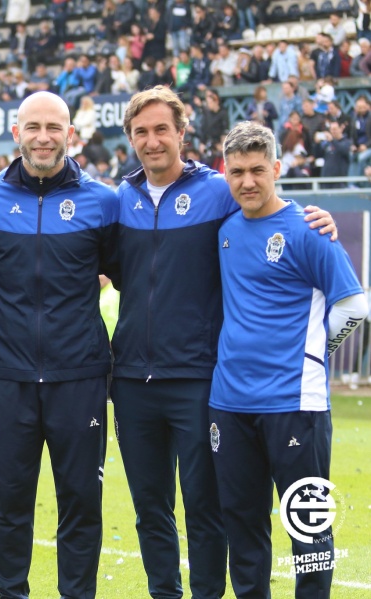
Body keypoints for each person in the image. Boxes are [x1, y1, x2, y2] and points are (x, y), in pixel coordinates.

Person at [111, 86, 337, 599]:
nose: (152, 141)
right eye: (141, 132)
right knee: (150, 508)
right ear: (130, 138)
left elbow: (265, 198)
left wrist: (311, 215)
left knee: (207, 507)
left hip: (200, 379)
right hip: (131, 379)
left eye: (161, 129)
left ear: (182, 133)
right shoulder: (116, 199)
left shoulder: (217, 190)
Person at [0, 91, 118, 598]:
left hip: (79, 379)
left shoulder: (102, 200)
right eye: (33, 127)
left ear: (70, 133)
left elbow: (128, 271)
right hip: (8, 379)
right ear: (16, 133)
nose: (44, 137)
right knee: (7, 505)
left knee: (80, 504)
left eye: (54, 127)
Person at [211, 120, 367, 599]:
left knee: (307, 524)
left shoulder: (309, 229)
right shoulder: (225, 230)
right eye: (237, 172)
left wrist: (319, 356)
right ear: (226, 174)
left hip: (294, 403)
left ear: (277, 168)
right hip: (229, 404)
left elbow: (355, 306)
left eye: (258, 170)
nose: (248, 182)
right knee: (242, 523)